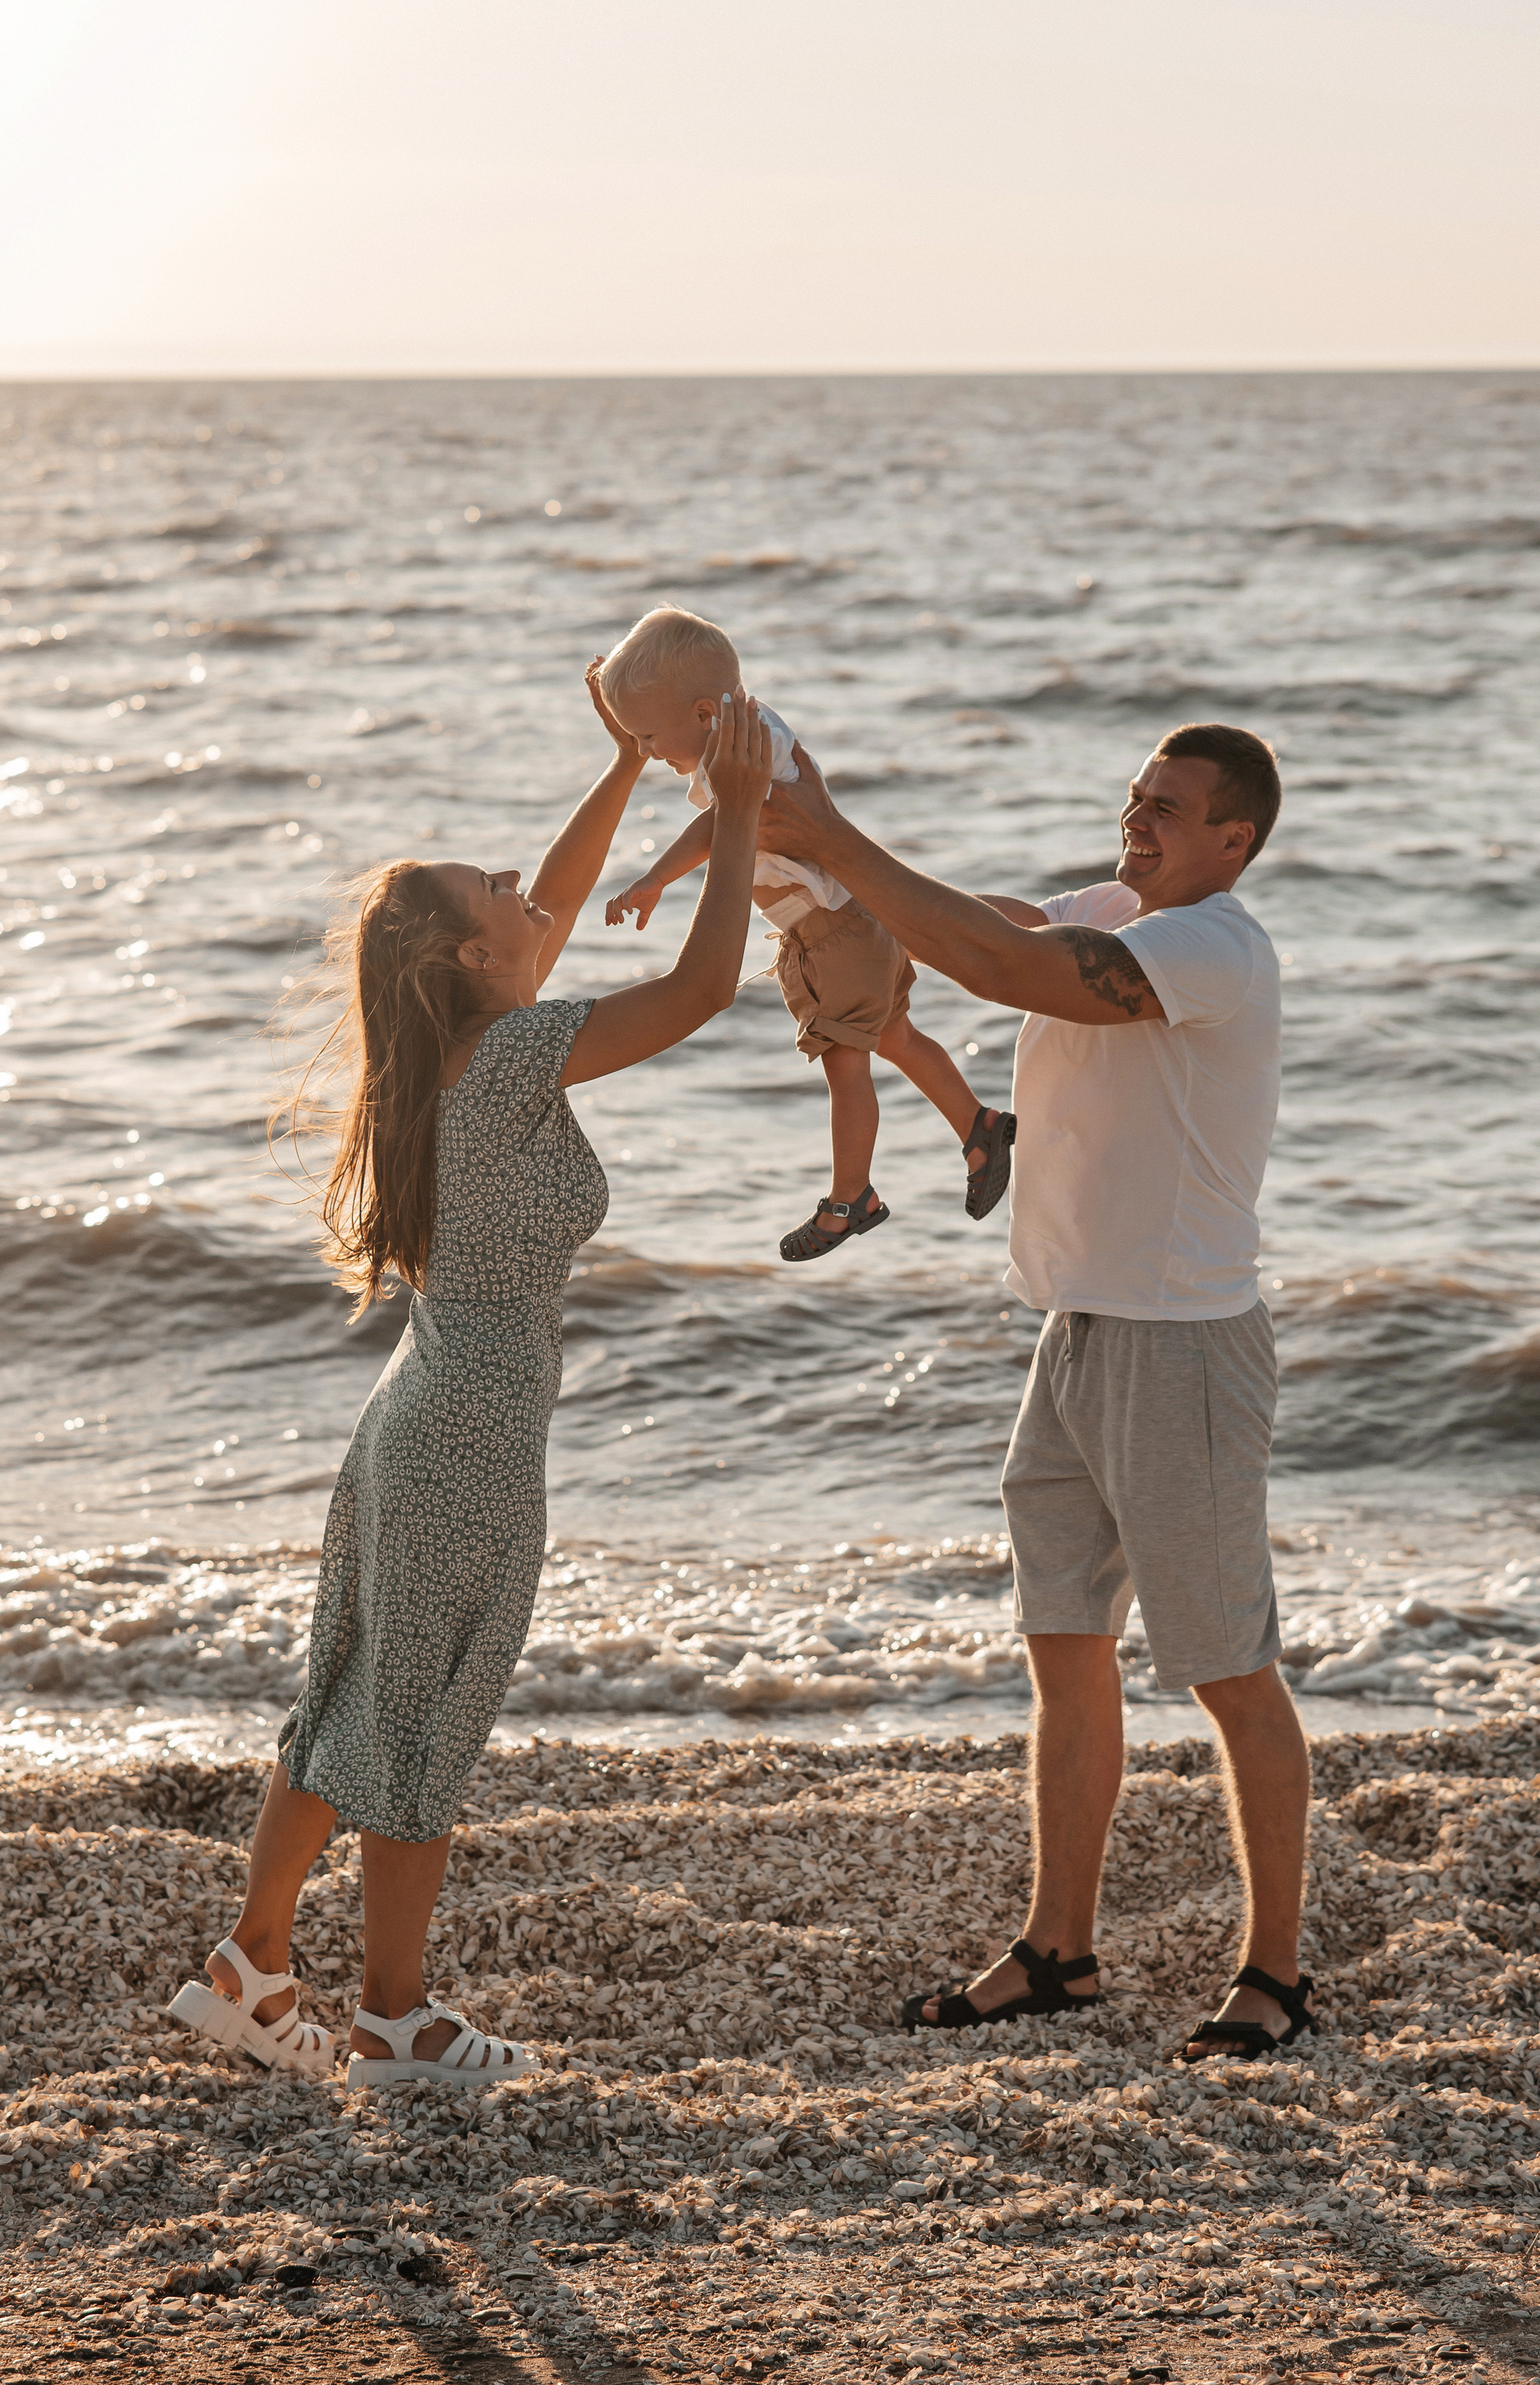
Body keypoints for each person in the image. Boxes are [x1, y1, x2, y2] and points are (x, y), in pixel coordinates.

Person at [167, 672, 770, 2086]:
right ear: (460, 952)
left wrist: (622, 766)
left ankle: (250, 1968)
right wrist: (734, 817)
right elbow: (696, 986)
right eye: (483, 884)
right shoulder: (503, 1057)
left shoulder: (442, 1048)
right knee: (423, 1724)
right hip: (471, 1436)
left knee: (348, 1699)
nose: (518, 881)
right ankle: (395, 2020)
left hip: (411, 1417)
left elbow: (541, 913)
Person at [761, 722, 1317, 2062]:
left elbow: (1013, 968)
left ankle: (1276, 1978)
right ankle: (1056, 1951)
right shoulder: (1119, 905)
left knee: (1229, 1671)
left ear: (1231, 840)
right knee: (1062, 1647)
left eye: (1168, 810)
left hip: (1179, 1344)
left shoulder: (1212, 947)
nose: (1138, 821)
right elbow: (987, 927)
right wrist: (815, 874)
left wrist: (833, 843)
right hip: (1074, 1335)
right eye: (1134, 797)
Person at [598, 605, 1016, 1259]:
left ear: (705, 713)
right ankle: (978, 1125)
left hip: (837, 933)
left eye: (648, 737)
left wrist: (655, 878)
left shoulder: (743, 750)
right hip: (845, 921)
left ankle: (852, 1199)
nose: (647, 753)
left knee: (846, 1064)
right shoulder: (746, 732)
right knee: (897, 1036)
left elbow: (725, 827)